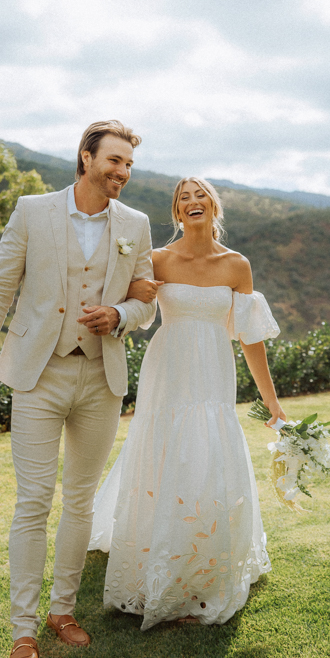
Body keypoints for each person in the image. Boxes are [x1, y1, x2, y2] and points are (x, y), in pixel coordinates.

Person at [0, 121, 157, 658]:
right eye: (114, 161)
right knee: (32, 501)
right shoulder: (33, 211)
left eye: (129, 166)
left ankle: (63, 612)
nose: (121, 172)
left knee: (81, 500)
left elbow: (147, 300)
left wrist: (120, 315)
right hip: (38, 375)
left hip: (101, 379)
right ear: (86, 157)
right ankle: (22, 634)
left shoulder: (136, 225)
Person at [88, 177, 285, 629]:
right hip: (168, 367)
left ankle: (205, 557)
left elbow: (251, 338)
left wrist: (272, 402)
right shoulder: (158, 259)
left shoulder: (237, 265)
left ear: (215, 209)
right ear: (177, 213)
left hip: (213, 369)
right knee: (168, 449)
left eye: (201, 197)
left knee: (207, 451)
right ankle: (157, 553)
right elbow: (132, 310)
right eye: (184, 199)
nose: (192, 203)